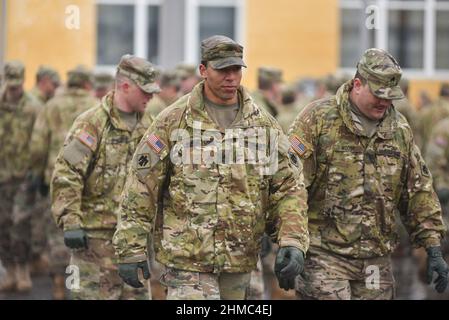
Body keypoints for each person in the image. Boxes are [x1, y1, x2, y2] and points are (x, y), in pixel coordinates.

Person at [112, 35, 309, 300]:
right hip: (187, 264)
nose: (231, 77)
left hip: (240, 262)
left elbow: (288, 187)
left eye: (236, 69)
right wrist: (131, 248)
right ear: (204, 70)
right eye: (222, 70)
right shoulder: (173, 121)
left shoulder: (262, 125)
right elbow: (141, 186)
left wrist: (292, 240)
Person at [289, 48, 448, 300]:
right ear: (357, 84)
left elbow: (417, 191)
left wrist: (433, 247)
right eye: (378, 94)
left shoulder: (398, 129)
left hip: (376, 260)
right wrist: (290, 241)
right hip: (325, 255)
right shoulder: (318, 119)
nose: (384, 102)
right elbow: (291, 185)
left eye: (390, 96)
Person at [51, 54, 159, 299]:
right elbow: (68, 173)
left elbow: (159, 179)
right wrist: (71, 221)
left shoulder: (151, 127)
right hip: (94, 243)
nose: (151, 96)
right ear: (125, 86)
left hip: (135, 243)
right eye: (145, 91)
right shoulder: (92, 124)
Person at [27, 66, 98, 299]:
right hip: (89, 181)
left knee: (57, 234)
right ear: (88, 84)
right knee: (83, 236)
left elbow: (38, 144)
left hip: (56, 179)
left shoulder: (51, 106)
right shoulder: (96, 106)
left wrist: (36, 173)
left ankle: (59, 285)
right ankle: (82, 286)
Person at [0, 61, 40, 292]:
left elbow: (39, 140)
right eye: (10, 85)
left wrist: (37, 172)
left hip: (23, 177)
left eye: (17, 86)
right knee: (3, 225)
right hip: (2, 176)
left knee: (20, 223)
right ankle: (10, 271)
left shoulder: (33, 108)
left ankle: (23, 270)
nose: (14, 90)